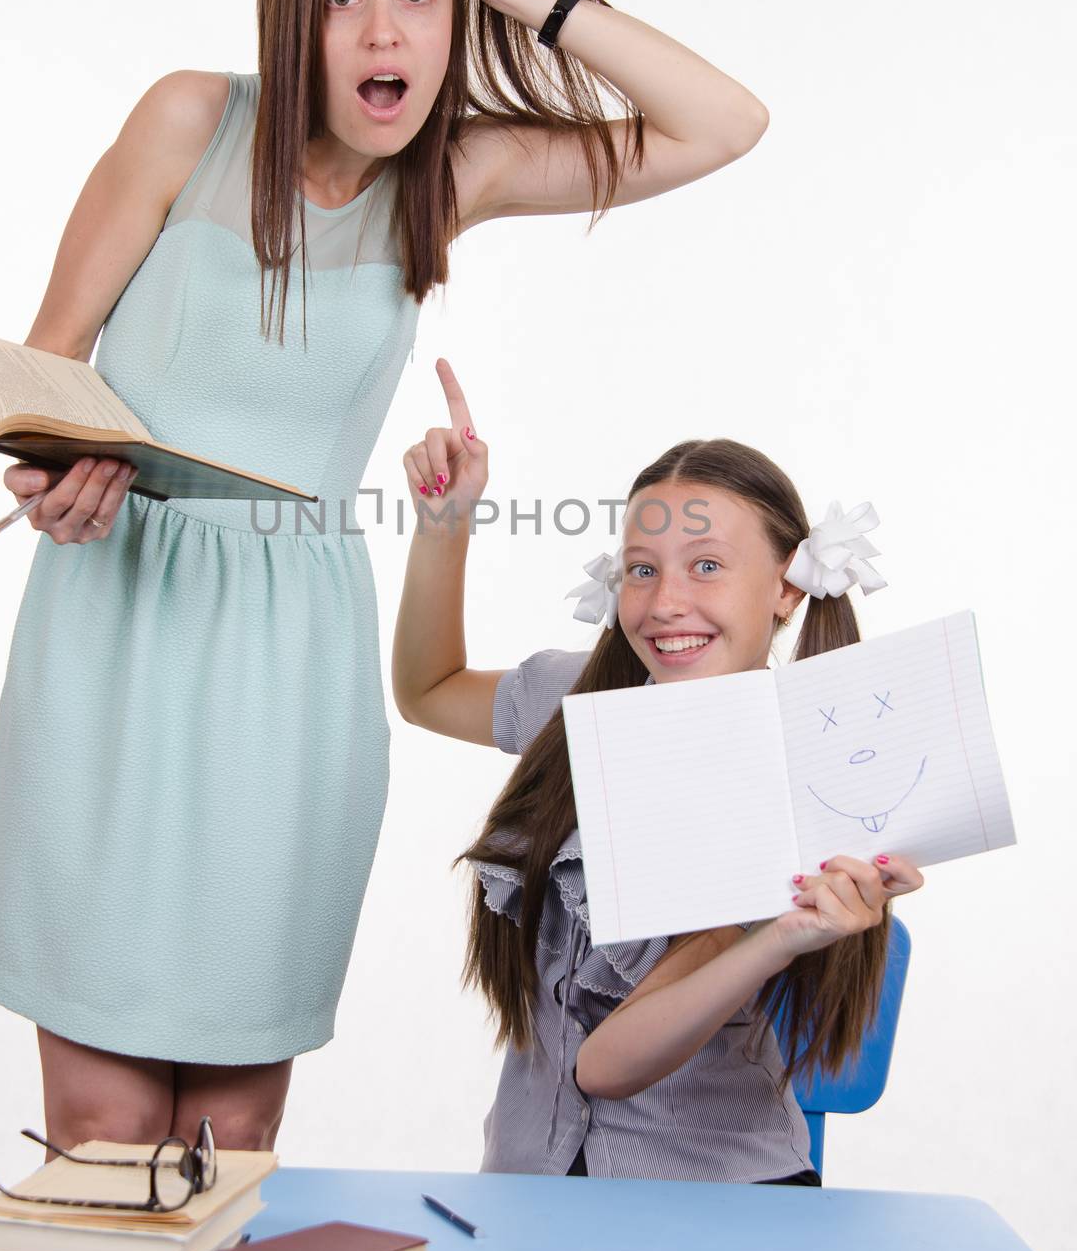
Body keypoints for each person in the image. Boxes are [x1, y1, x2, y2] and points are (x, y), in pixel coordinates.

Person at [0, 0, 772, 1156]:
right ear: (295, 14)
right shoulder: (188, 117)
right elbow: (45, 365)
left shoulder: (454, 174)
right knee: (108, 1129)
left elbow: (722, 124)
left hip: (293, 668)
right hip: (116, 630)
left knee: (229, 1136)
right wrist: (55, 472)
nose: (381, 29)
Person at [392, 361, 924, 1182]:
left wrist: (775, 927)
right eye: (643, 569)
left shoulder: (805, 777)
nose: (665, 600)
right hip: (531, 1181)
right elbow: (425, 691)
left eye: (707, 566)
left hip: (716, 1192)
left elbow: (609, 1064)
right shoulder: (573, 701)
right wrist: (445, 523)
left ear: (785, 589)